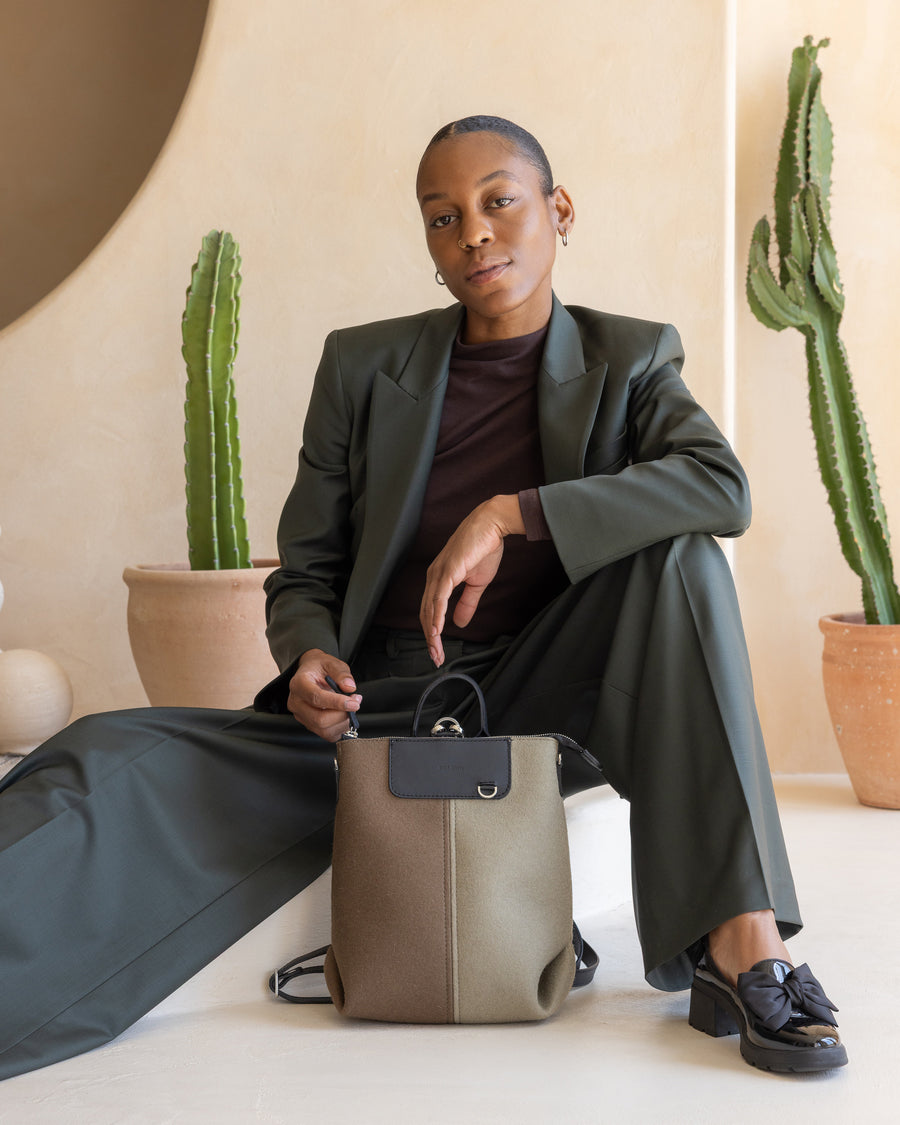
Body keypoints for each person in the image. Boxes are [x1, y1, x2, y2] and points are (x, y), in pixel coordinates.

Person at [0, 116, 846, 1080]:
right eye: (444, 218)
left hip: (538, 697)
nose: (474, 233)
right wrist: (308, 655)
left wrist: (513, 513)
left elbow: (718, 488)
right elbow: (306, 569)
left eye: (499, 202)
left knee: (685, 561)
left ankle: (745, 947)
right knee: (108, 755)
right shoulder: (364, 367)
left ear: (558, 210)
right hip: (377, 706)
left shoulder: (631, 356)